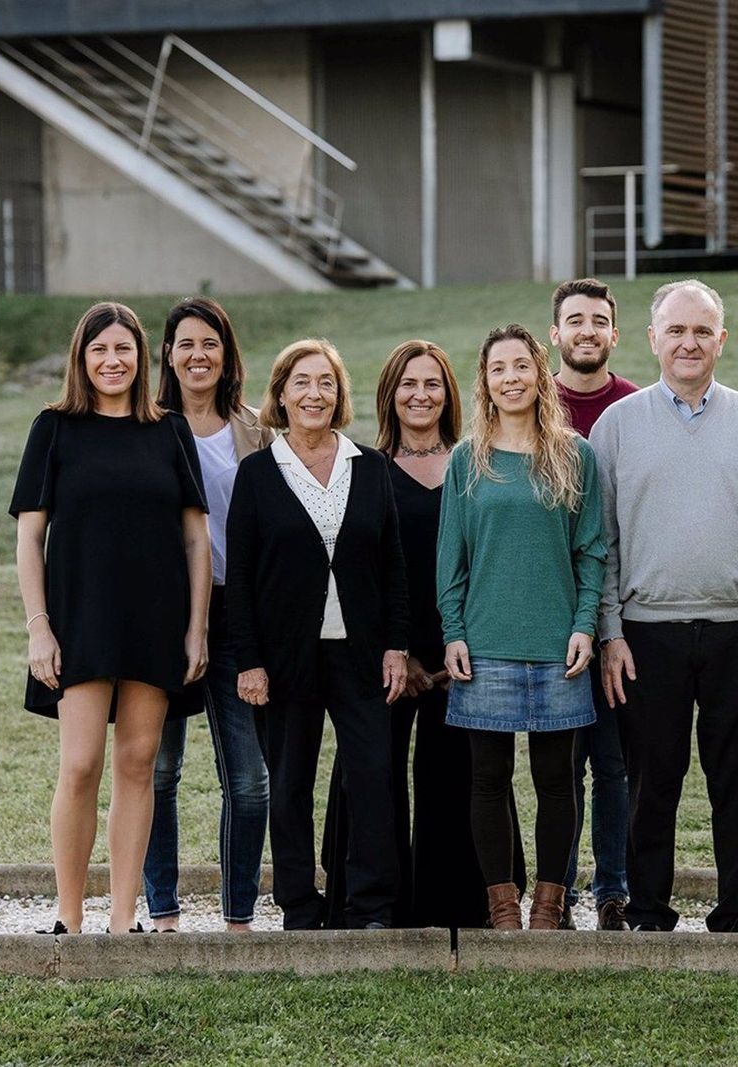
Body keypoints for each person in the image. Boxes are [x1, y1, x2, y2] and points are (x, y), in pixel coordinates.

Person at [590, 278, 738, 934]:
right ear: (653, 339)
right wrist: (610, 631)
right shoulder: (615, 427)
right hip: (646, 632)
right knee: (652, 781)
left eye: (701, 331)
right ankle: (648, 908)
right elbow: (603, 540)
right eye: (675, 331)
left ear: (721, 340)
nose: (688, 342)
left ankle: (736, 909)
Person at [11, 301, 210, 935]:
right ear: (82, 358)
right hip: (81, 617)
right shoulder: (54, 428)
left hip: (156, 618)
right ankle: (69, 916)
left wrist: (196, 627)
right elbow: (29, 537)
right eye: (100, 350)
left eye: (123, 349)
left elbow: (197, 539)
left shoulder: (169, 430)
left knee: (138, 761)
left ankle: (124, 921)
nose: (112, 361)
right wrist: (38, 626)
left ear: (141, 359)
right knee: (79, 765)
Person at [323, 339, 518, 930]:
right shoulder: (359, 468)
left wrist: (466, 644)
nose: (421, 394)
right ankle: (367, 903)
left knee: (461, 775)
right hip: (385, 651)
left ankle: (459, 902)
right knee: (371, 770)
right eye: (408, 383)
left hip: (463, 648)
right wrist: (395, 650)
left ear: (450, 395)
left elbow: (491, 560)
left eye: (433, 383)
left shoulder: (475, 463)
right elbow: (356, 567)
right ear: (390, 394)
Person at [227, 338, 409, 931]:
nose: (315, 393)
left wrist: (396, 647)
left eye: (326, 383)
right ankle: (300, 906)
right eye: (301, 382)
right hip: (283, 659)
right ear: (281, 395)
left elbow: (394, 567)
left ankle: (371, 904)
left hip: (362, 654)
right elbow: (243, 578)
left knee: (373, 777)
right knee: (290, 783)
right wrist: (248, 661)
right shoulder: (256, 474)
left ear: (339, 395)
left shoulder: (370, 466)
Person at [437, 324, 606, 931]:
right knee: (488, 780)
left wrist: (585, 625)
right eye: (498, 369)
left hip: (559, 646)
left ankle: (549, 906)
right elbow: (450, 558)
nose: (511, 378)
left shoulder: (575, 454)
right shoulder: (467, 459)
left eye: (521, 366)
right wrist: (453, 632)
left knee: (557, 781)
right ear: (485, 380)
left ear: (540, 373)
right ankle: (502, 906)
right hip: (485, 648)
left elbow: (592, 553)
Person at [140, 297, 273, 934]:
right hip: (163, 615)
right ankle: (161, 910)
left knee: (249, 778)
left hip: (239, 616)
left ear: (227, 355)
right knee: (158, 769)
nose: (199, 355)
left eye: (211, 343)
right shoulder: (145, 429)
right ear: (168, 354)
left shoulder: (257, 434)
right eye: (186, 343)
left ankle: (239, 917)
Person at [549, 277, 638, 931]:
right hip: (545, 617)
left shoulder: (634, 409)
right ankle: (558, 888)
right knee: (559, 765)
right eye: (574, 319)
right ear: (556, 333)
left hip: (618, 618)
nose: (586, 330)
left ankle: (612, 887)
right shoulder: (531, 407)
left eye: (597, 320)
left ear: (614, 333)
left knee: (612, 763)